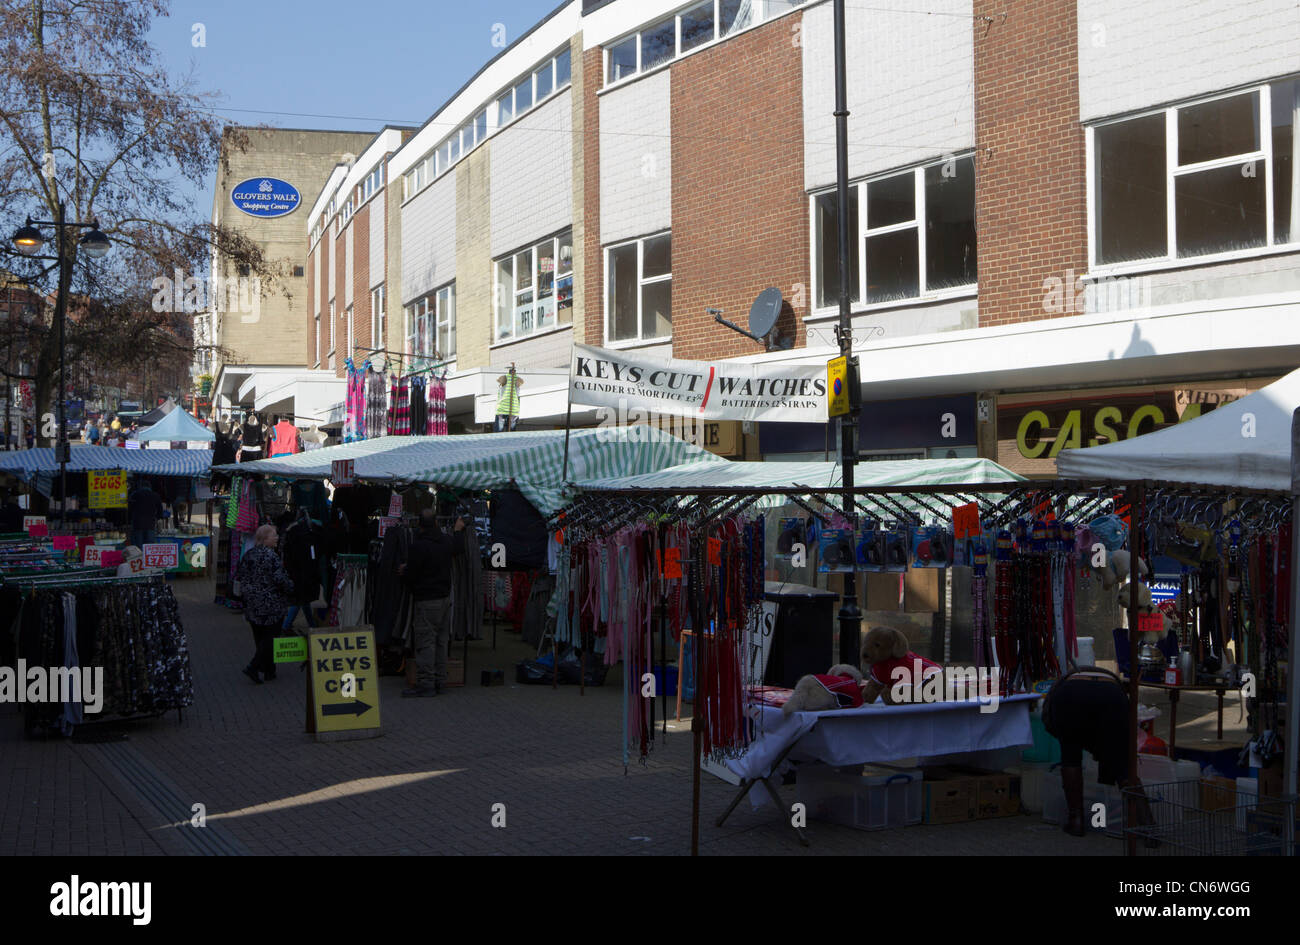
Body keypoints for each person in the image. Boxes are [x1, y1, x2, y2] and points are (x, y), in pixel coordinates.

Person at [1041, 666, 1159, 844]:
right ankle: (1148, 828)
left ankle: (1076, 821)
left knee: (1070, 756)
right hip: (1111, 694)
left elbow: (1058, 728)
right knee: (1122, 764)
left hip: (1070, 694)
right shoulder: (1110, 692)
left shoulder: (1055, 709)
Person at [398, 508, 465, 696]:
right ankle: (439, 681)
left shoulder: (418, 546)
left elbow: (412, 575)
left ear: (419, 525)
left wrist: (405, 572)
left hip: (426, 600)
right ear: (436, 523)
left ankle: (426, 684)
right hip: (445, 599)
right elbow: (459, 548)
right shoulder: (445, 541)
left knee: (426, 642)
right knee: (442, 642)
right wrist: (458, 530)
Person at [236, 524, 295, 683]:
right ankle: (254, 666)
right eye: (274, 535)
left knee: (260, 637)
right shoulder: (271, 556)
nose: (277, 538)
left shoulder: (248, 554)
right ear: (265, 539)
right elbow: (280, 580)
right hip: (271, 604)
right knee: (271, 638)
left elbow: (239, 575)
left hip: (252, 603)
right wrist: (291, 587)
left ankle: (269, 670)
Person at [127, 478, 164, 548]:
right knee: (149, 547)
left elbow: (130, 510)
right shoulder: (155, 495)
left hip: (137, 524)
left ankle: (139, 559)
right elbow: (160, 510)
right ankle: (148, 559)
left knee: (138, 546)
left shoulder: (135, 494)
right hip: (150, 524)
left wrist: (129, 521)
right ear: (150, 486)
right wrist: (159, 518)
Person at [494, 363, 523, 432]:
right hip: (514, 409)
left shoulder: (504, 378)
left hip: (503, 408)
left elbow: (499, 380)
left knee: (499, 433)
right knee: (511, 432)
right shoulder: (518, 380)